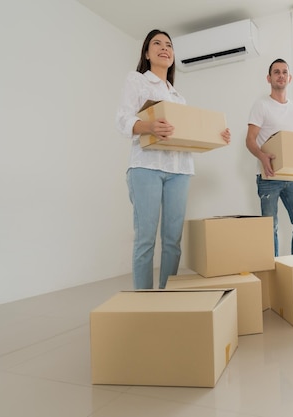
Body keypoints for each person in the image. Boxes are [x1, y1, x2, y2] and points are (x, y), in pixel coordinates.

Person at [115, 29, 231, 289]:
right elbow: (122, 119)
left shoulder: (178, 97)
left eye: (169, 45)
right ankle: (144, 298)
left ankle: (168, 295)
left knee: (172, 240)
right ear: (147, 52)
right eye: (157, 43)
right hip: (146, 167)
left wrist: (217, 135)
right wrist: (150, 127)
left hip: (180, 170)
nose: (164, 48)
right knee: (145, 238)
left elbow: (189, 134)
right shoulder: (137, 80)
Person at [246, 58, 293, 256]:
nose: (281, 75)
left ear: (290, 77)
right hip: (269, 176)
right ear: (269, 78)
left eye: (284, 72)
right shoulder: (261, 105)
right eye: (276, 72)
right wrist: (262, 156)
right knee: (270, 228)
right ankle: (274, 270)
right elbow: (250, 140)